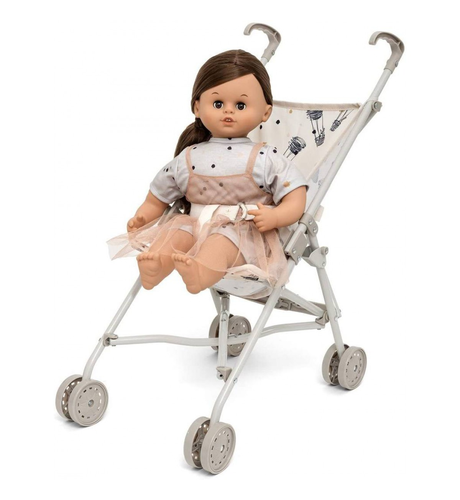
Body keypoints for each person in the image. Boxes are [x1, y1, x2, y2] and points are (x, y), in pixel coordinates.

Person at [108, 50, 308, 296]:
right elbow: (158, 195)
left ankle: (202, 270)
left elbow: (296, 195)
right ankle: (157, 264)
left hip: (242, 234)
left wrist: (276, 216)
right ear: (197, 107)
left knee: (221, 241)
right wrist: (143, 217)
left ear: (265, 113)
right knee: (177, 231)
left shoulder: (266, 158)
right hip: (196, 225)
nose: (228, 111)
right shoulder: (188, 157)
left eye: (241, 105)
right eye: (218, 104)